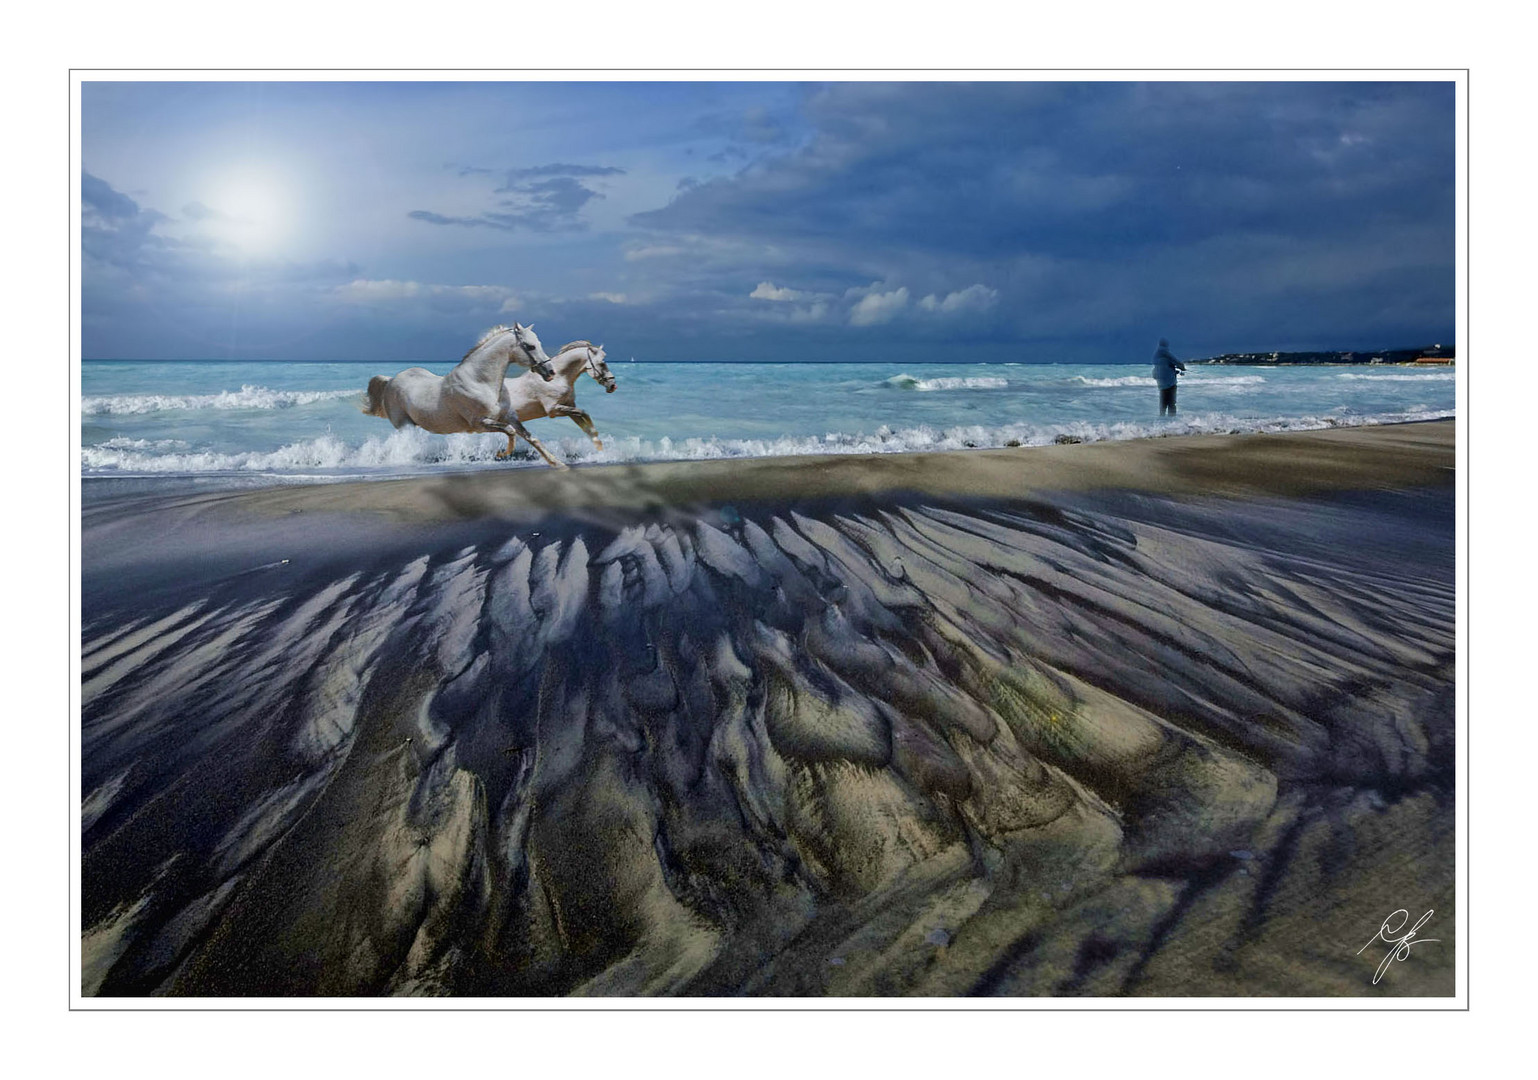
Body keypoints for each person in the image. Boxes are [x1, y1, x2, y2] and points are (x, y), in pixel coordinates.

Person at [1152, 338, 1186, 415]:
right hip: (1170, 383)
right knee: (1171, 404)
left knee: (1162, 405)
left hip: (1161, 384)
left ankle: (1162, 424)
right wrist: (1182, 368)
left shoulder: (1156, 355)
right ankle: (1172, 424)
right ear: (1166, 345)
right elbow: (1179, 363)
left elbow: (1160, 370)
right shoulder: (1166, 353)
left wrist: (1174, 371)